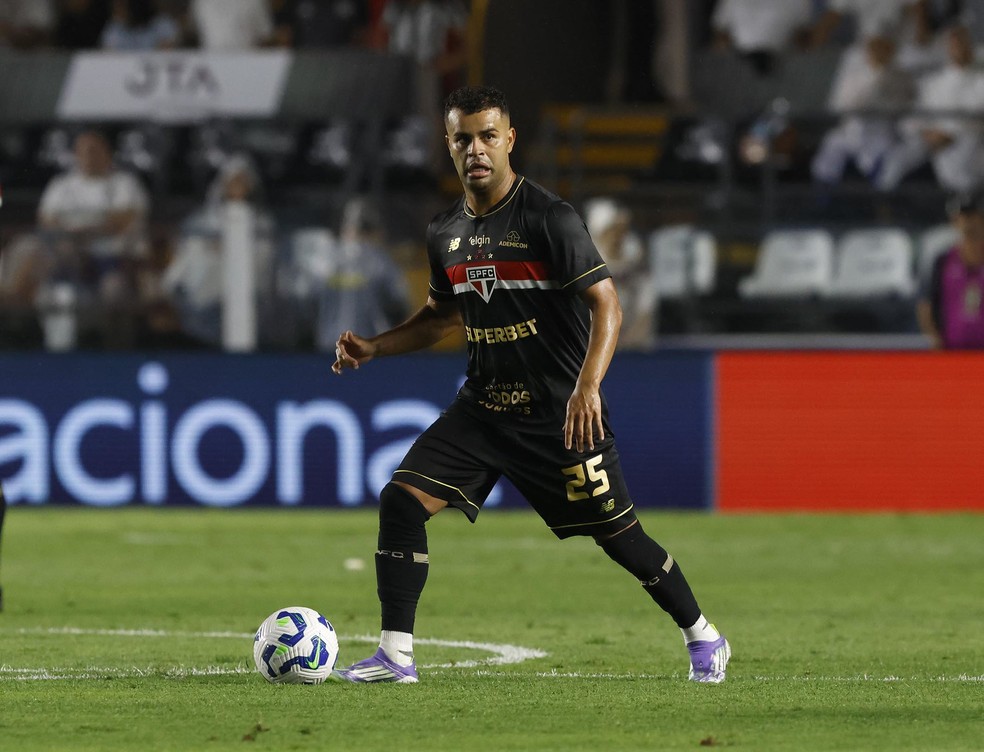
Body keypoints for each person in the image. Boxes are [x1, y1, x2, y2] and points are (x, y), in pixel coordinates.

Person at [330, 85, 730, 684]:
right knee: (401, 502)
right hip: (484, 410)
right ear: (448, 144)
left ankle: (704, 635)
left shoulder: (549, 218)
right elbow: (442, 317)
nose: (476, 150)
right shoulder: (445, 232)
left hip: (559, 415)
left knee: (620, 538)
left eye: (488, 136)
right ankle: (396, 655)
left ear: (509, 139)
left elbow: (607, 303)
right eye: (462, 138)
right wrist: (375, 347)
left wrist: (588, 385)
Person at [875, 25, 984, 193]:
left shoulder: (980, 79)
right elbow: (911, 120)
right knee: (896, 163)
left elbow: (976, 116)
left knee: (967, 151)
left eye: (962, 43)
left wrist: (951, 133)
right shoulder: (935, 83)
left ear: (970, 46)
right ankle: (882, 204)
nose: (958, 48)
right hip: (935, 147)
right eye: (954, 44)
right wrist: (927, 133)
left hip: (971, 145)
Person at [811, 33, 915, 186]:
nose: (878, 53)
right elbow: (837, 105)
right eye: (874, 49)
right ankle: (824, 199)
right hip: (853, 128)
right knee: (828, 153)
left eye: (882, 48)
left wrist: (880, 82)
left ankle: (879, 201)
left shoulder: (901, 76)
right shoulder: (854, 75)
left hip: (884, 130)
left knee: (885, 166)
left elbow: (906, 105)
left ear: (890, 51)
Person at [584, 197, 657, 350]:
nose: (619, 234)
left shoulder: (632, 248)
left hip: (631, 334)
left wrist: (632, 336)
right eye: (612, 229)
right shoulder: (584, 256)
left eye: (621, 228)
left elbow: (645, 300)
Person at [917, 190, 984, 348]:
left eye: (971, 216)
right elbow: (925, 305)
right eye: (960, 217)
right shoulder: (943, 261)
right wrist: (936, 340)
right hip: (952, 351)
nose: (966, 222)